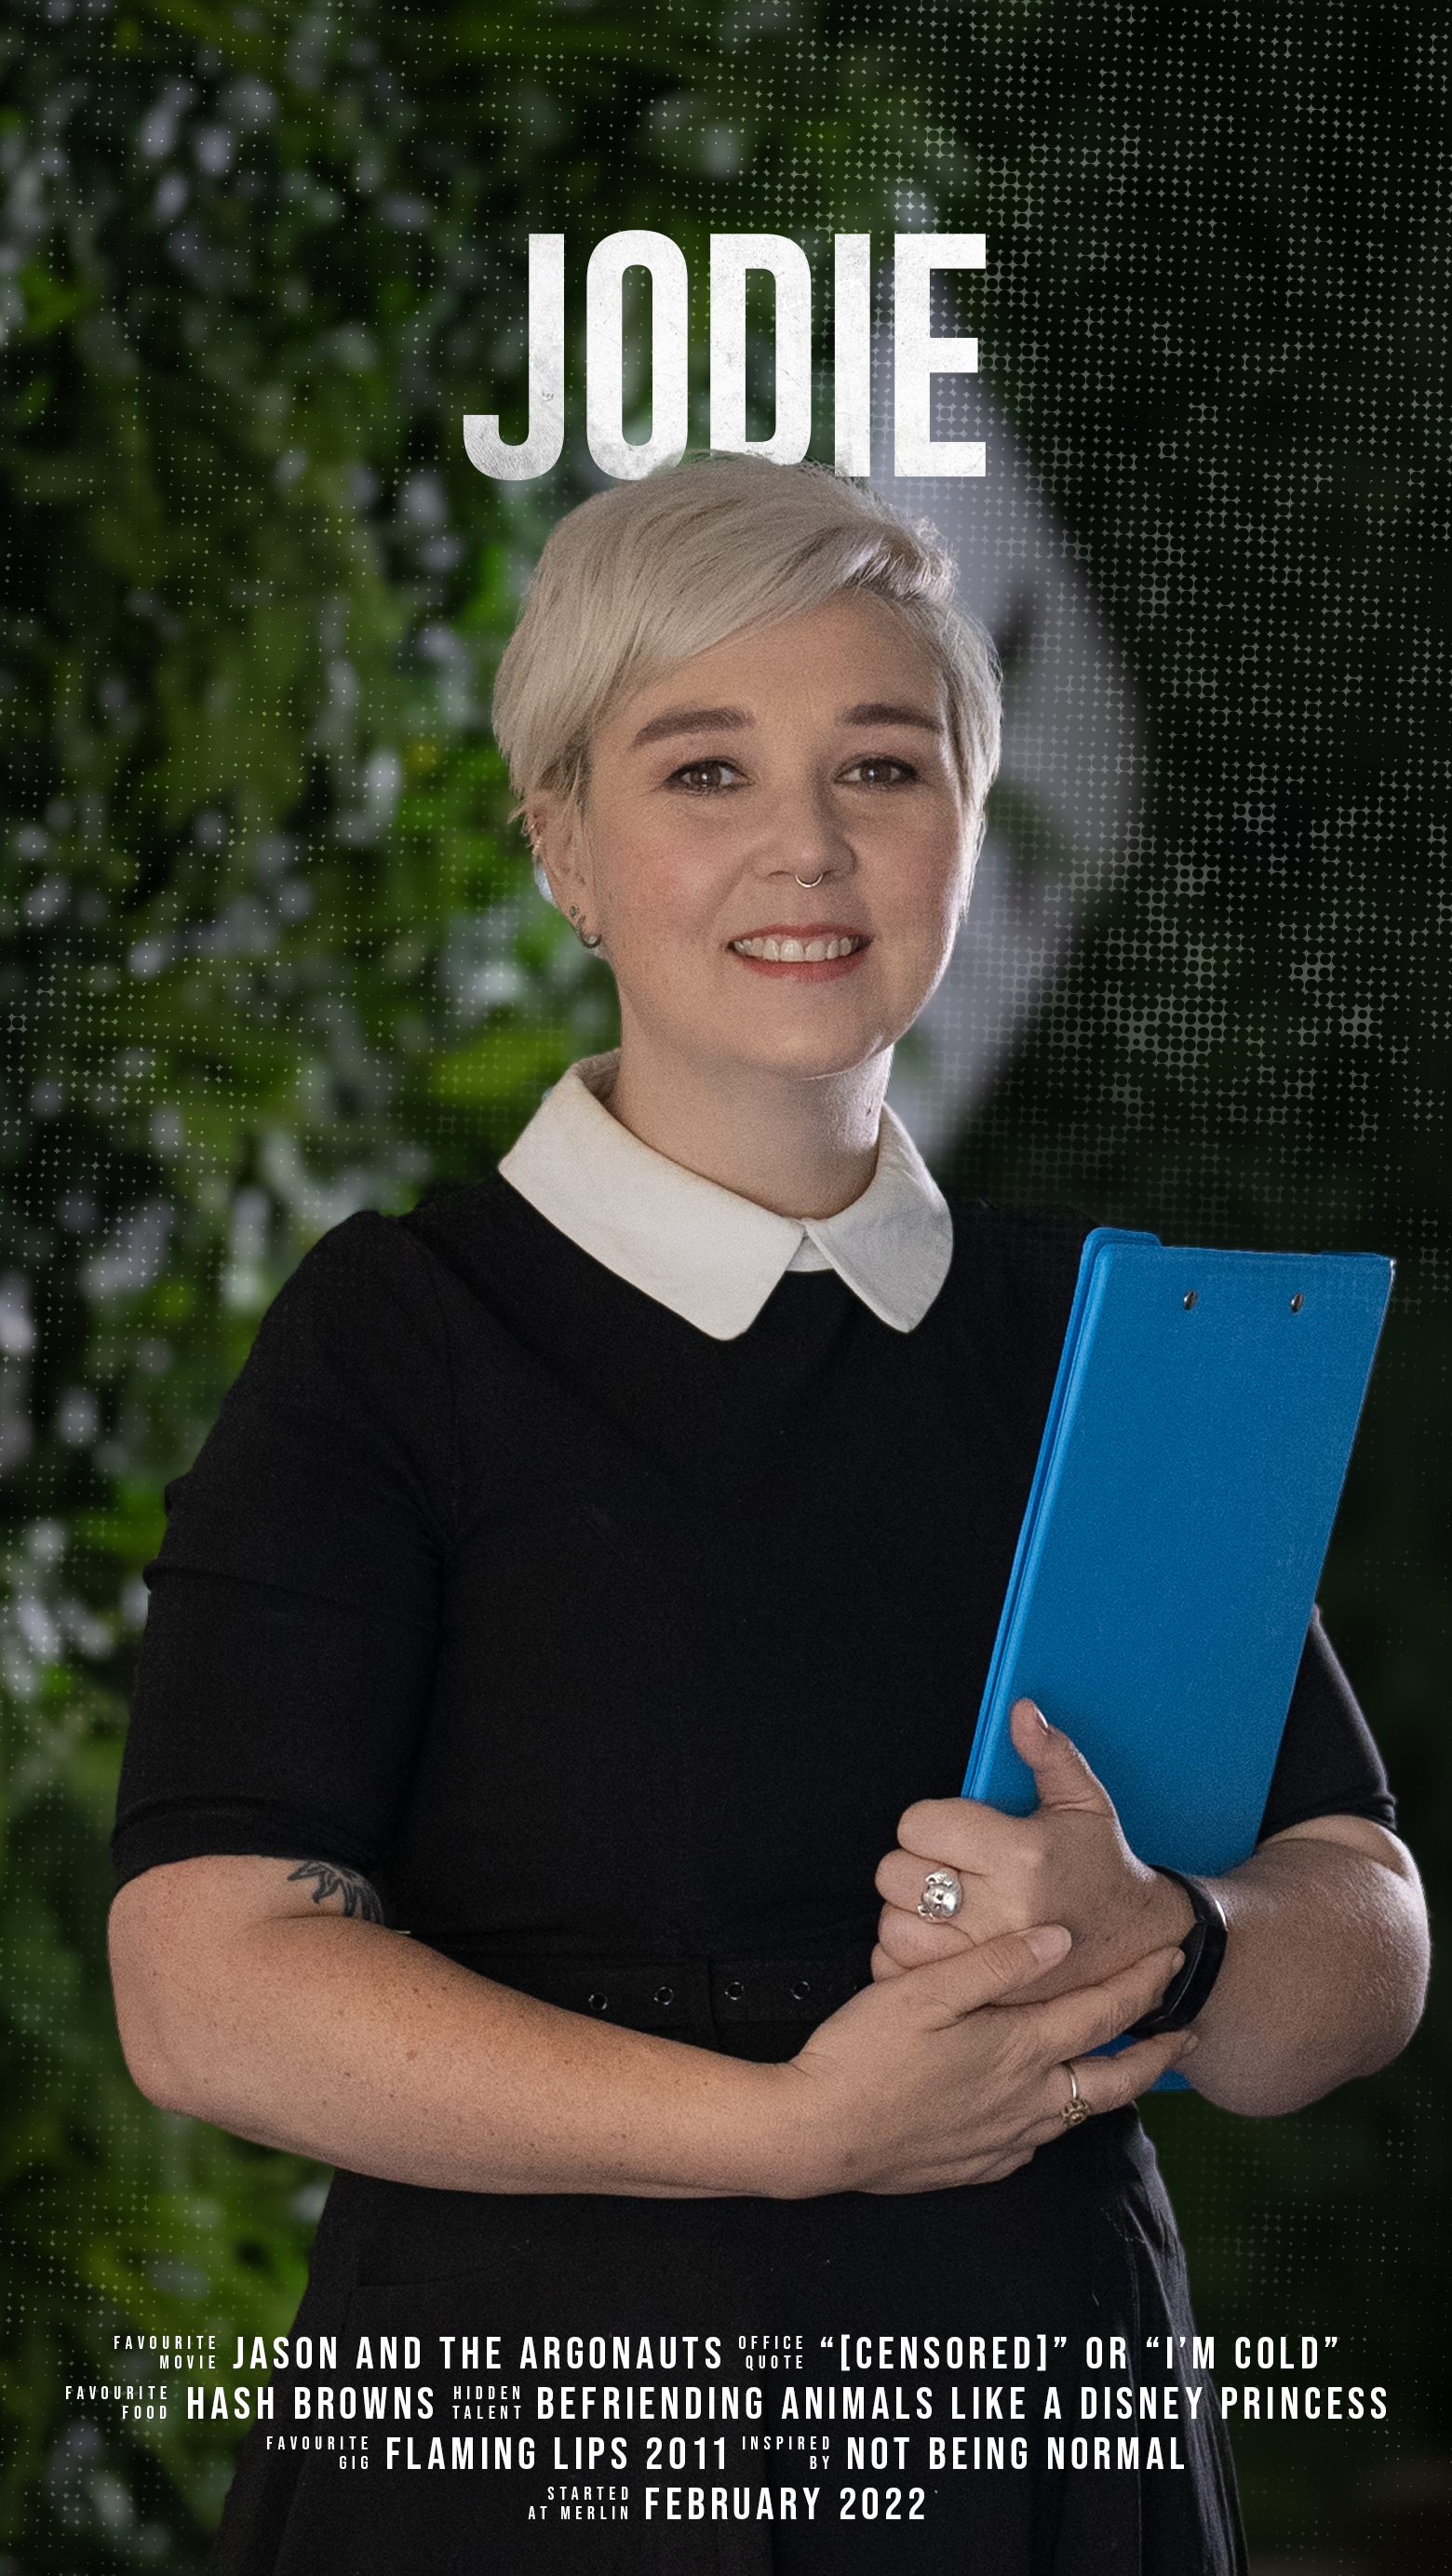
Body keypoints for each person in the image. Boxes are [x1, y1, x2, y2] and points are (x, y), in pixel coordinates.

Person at [108, 457, 1429, 2575]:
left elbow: (1362, 1917)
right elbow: (205, 1988)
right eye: (702, 765)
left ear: (965, 829)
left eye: (881, 764)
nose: (804, 844)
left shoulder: (1094, 1329)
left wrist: (1177, 1942)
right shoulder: (398, 1335)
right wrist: (797, 2132)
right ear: (563, 841)